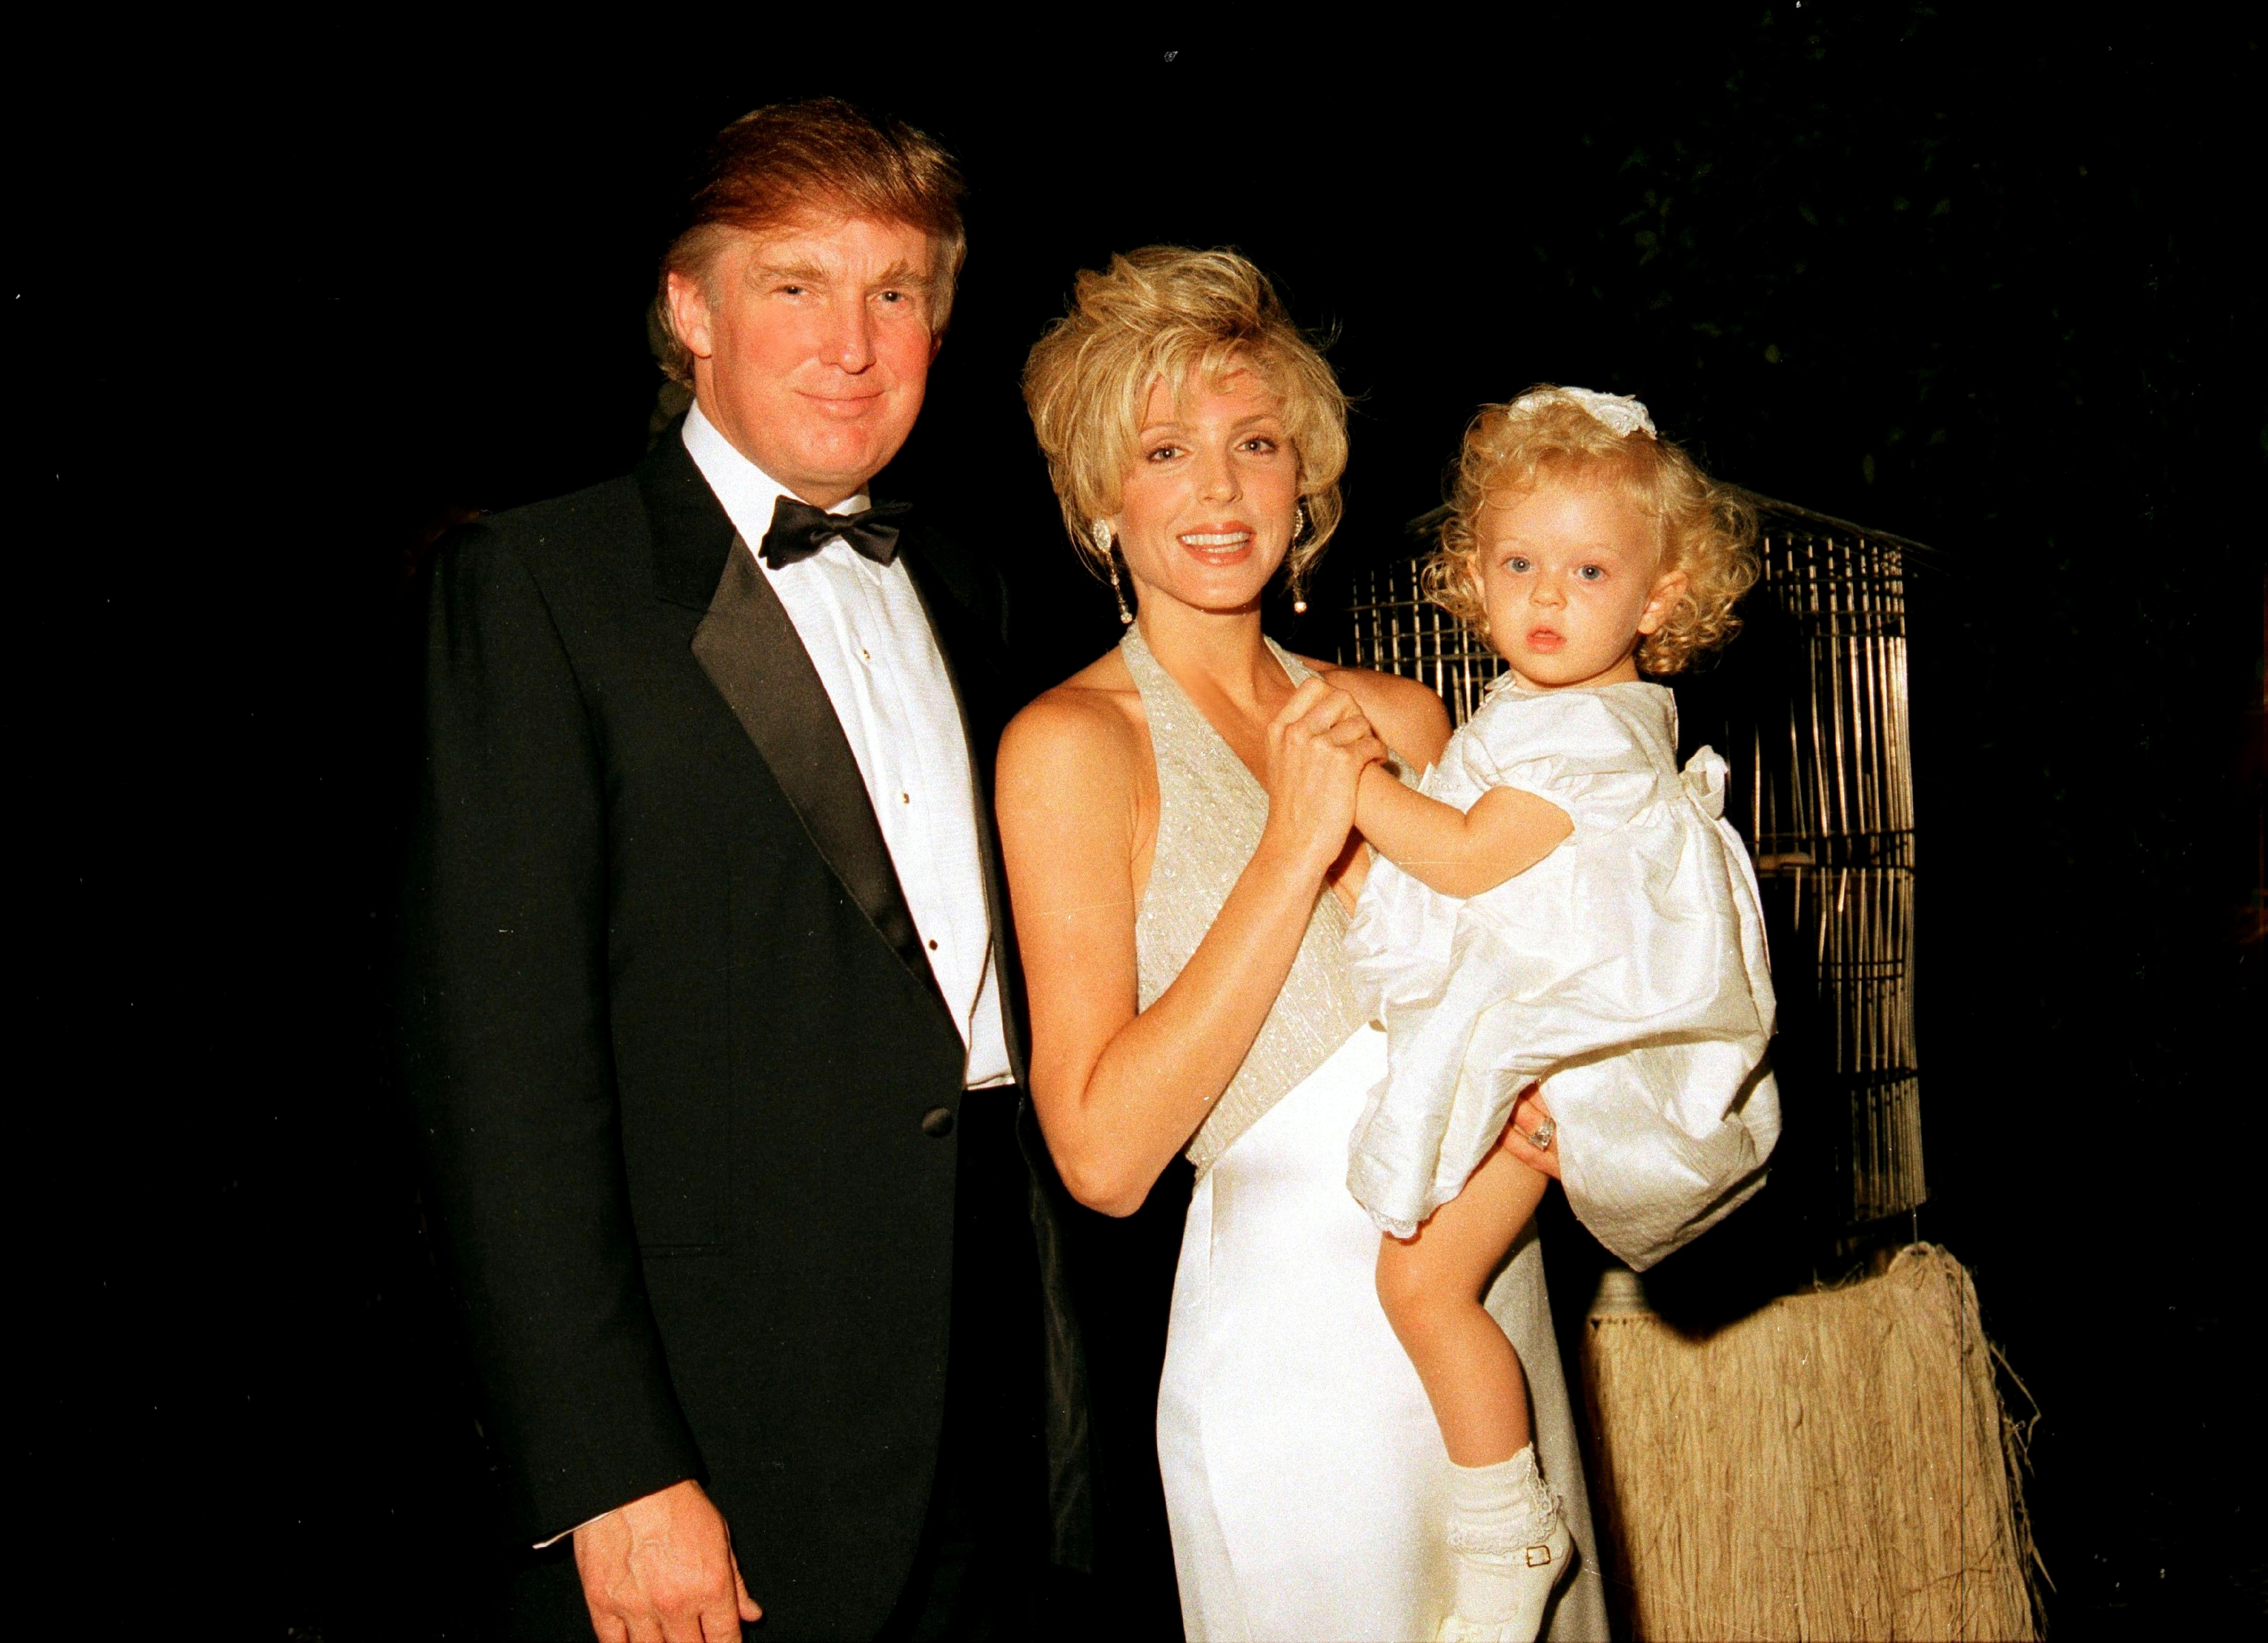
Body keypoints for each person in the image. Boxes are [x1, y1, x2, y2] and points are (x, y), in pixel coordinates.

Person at [397, 99, 1085, 1643]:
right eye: (794, 284)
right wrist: (612, 1470)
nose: (851, 342)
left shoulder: (969, 586)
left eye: (893, 290)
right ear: (689, 311)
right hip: (722, 1444)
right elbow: (497, 1084)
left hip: (994, 1422)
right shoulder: (536, 587)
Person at [997, 248, 1606, 1642]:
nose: (1218, 491)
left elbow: (1517, 999)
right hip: (1294, 1375)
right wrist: (1290, 847)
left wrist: (1563, 1093)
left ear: (1305, 479)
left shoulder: (1409, 718)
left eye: (1256, 443)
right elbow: (1100, 1158)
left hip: (1486, 1313)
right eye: (1164, 450)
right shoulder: (1072, 747)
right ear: (1100, 499)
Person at [1345, 386, 1783, 1640]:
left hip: (1560, 1057)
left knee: (1422, 1287)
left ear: (1658, 598)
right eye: (1518, 563)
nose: (1547, 596)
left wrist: (1349, 785)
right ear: (1472, 571)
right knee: (1427, 1284)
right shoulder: (1555, 708)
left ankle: (1511, 1536)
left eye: (1589, 571)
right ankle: (1507, 1527)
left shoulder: (1585, 730)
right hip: (1539, 1032)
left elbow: (1467, 857)